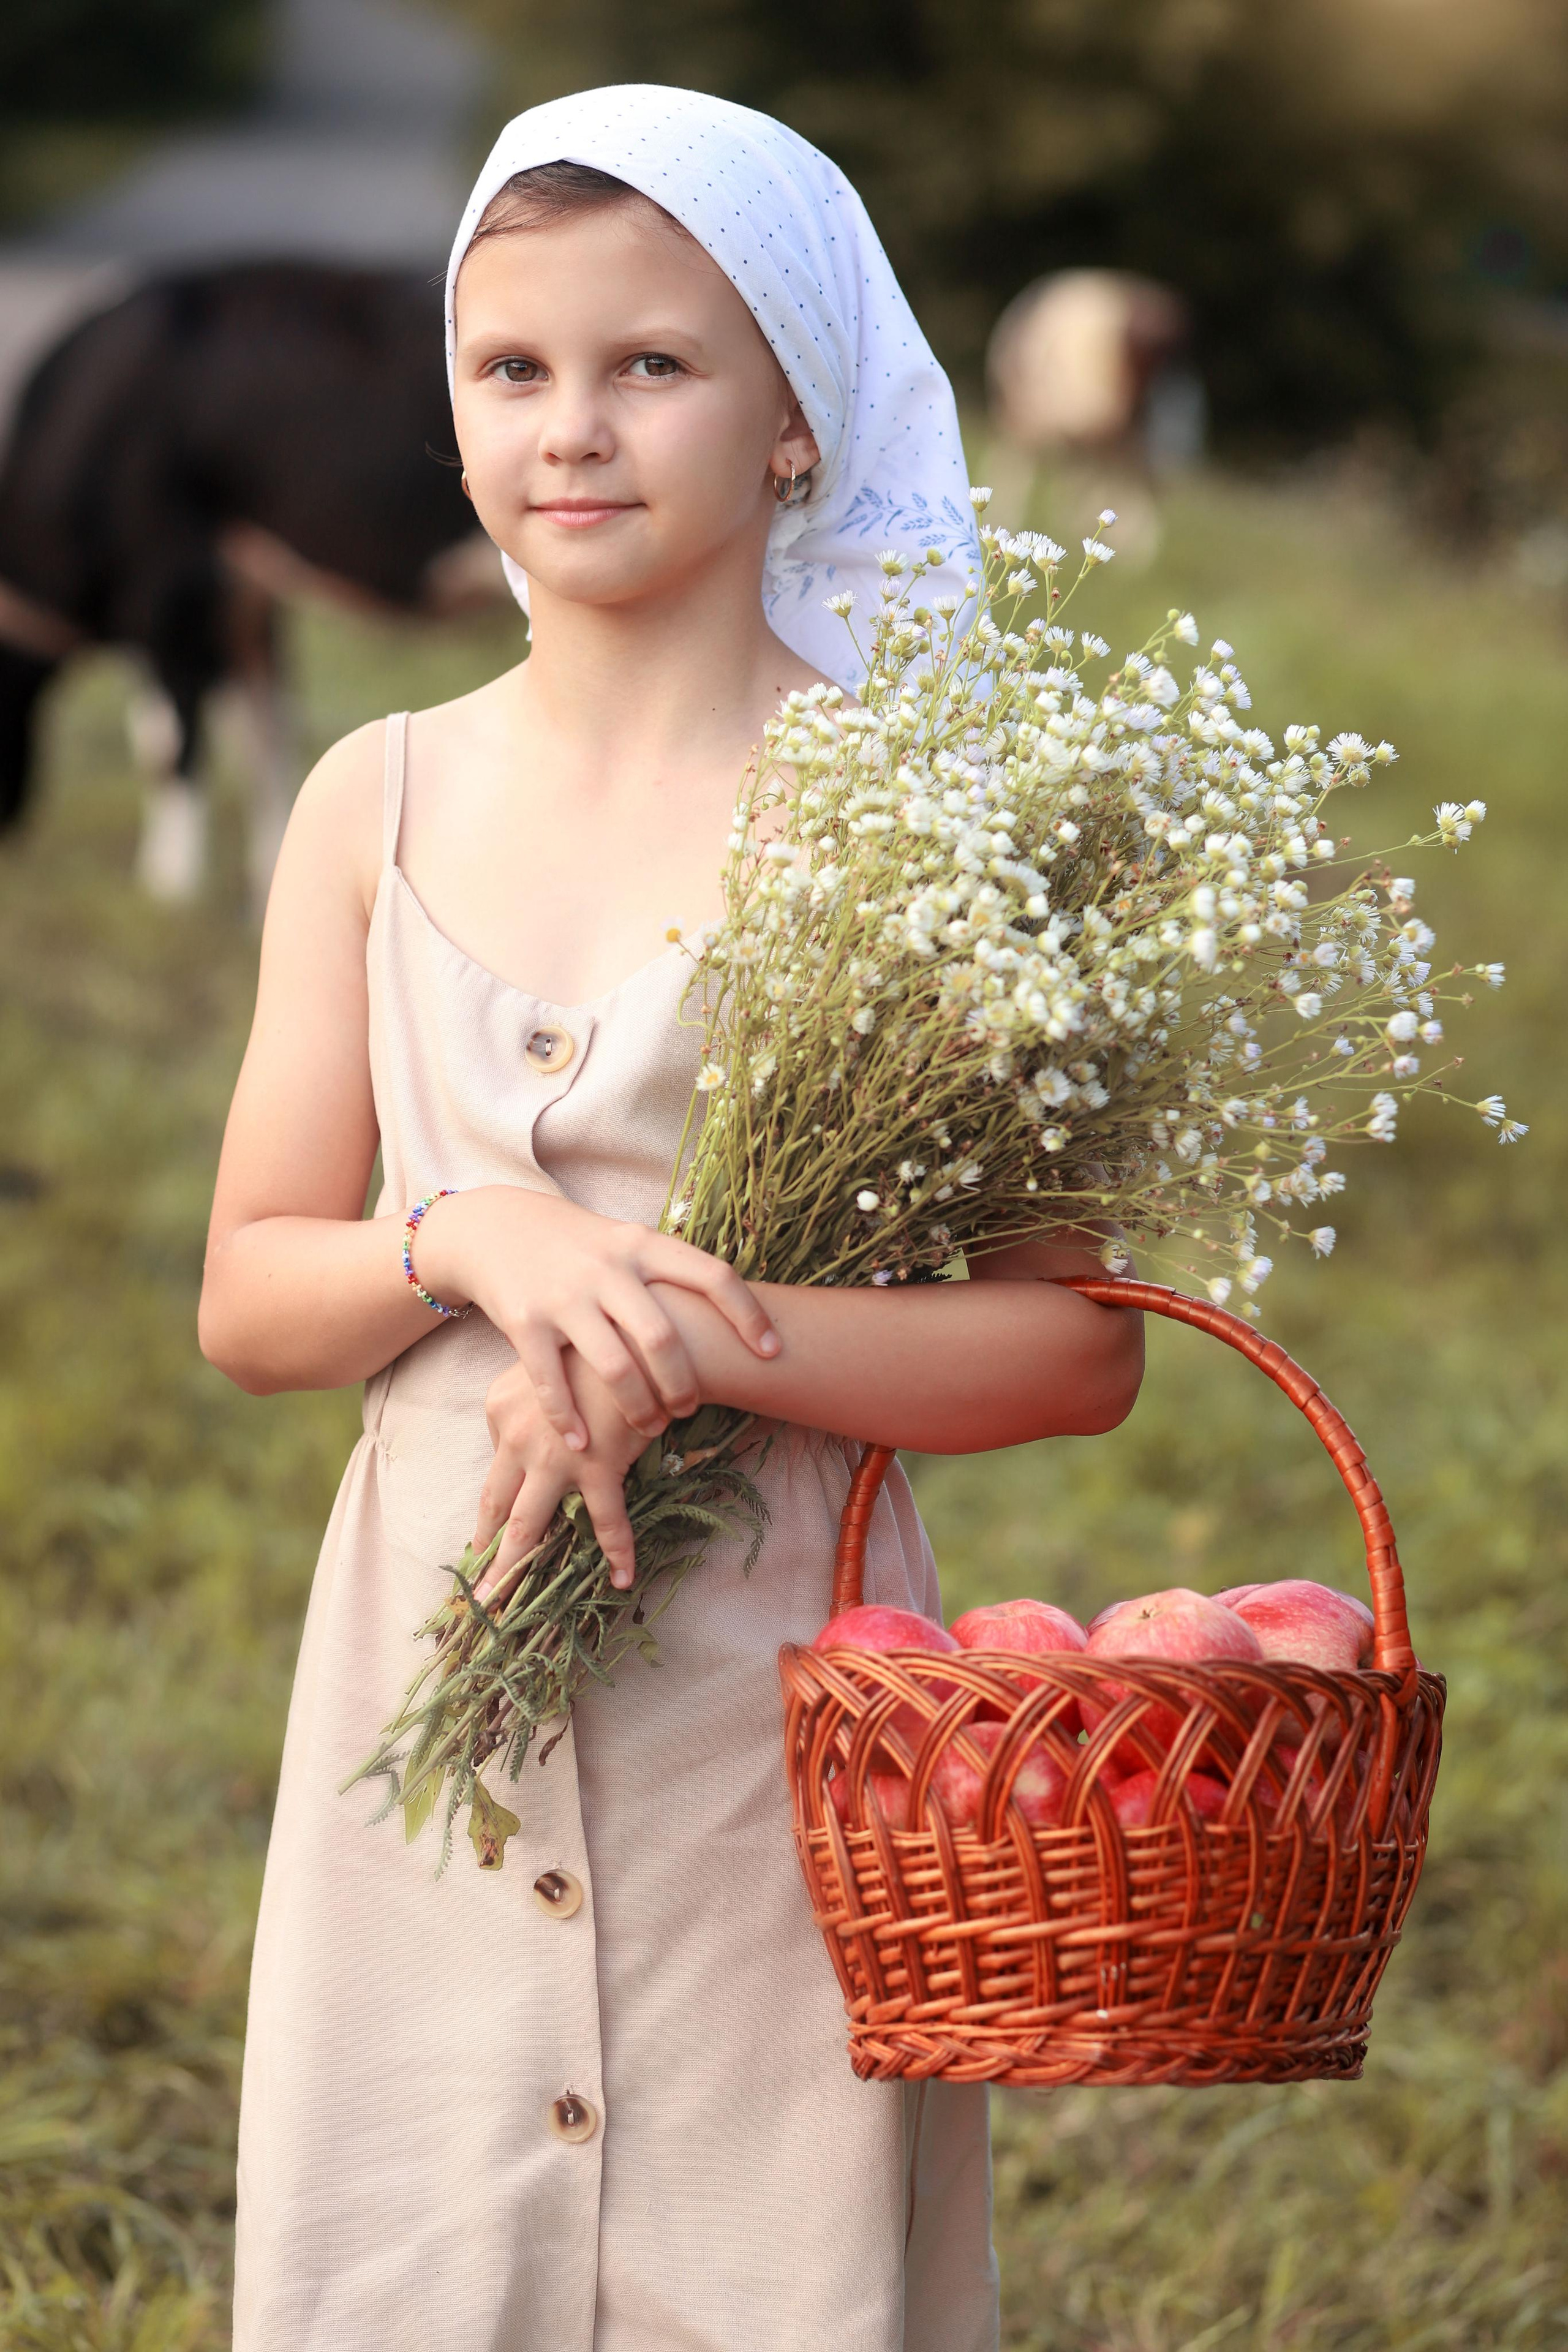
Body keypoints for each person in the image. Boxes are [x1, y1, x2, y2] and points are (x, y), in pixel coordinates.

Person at [200, 84, 1143, 2352]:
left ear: (799, 421)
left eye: (655, 365)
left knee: (762, 2261)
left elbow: (1072, 1347)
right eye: (512, 370)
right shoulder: (378, 794)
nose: (574, 430)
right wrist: (474, 1238)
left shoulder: (928, 823)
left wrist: (714, 1340)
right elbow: (252, 1291)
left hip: (769, 1718)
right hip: (439, 1680)